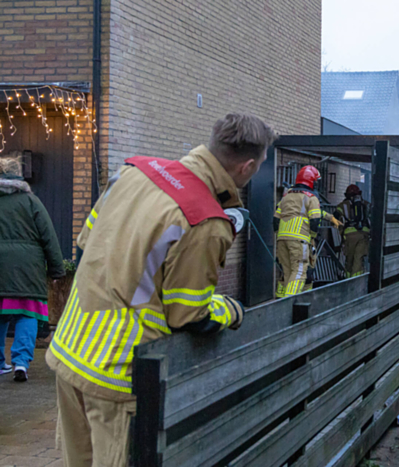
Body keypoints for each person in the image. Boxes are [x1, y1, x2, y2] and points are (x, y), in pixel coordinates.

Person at [46, 113, 277, 467]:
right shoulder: (205, 220)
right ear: (246, 167)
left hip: (70, 350)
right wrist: (231, 310)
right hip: (116, 374)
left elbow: (86, 241)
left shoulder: (133, 172)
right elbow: (188, 313)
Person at [0, 157, 65, 382]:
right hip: (28, 270)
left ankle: (0, 363)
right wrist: (57, 270)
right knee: (27, 314)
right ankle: (20, 363)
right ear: (18, 176)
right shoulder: (30, 201)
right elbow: (48, 236)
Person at [274, 166, 342, 297]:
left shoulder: (286, 197)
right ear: (311, 181)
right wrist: (312, 236)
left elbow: (276, 220)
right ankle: (289, 304)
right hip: (300, 239)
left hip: (282, 239)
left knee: (288, 272)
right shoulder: (311, 197)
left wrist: (330, 217)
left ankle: (283, 301)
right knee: (299, 272)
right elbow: (315, 220)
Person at [334, 184, 371, 277]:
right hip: (364, 234)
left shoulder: (342, 206)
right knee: (358, 259)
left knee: (349, 261)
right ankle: (357, 282)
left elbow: (334, 219)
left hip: (349, 236)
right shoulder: (366, 204)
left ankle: (349, 282)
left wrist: (340, 230)